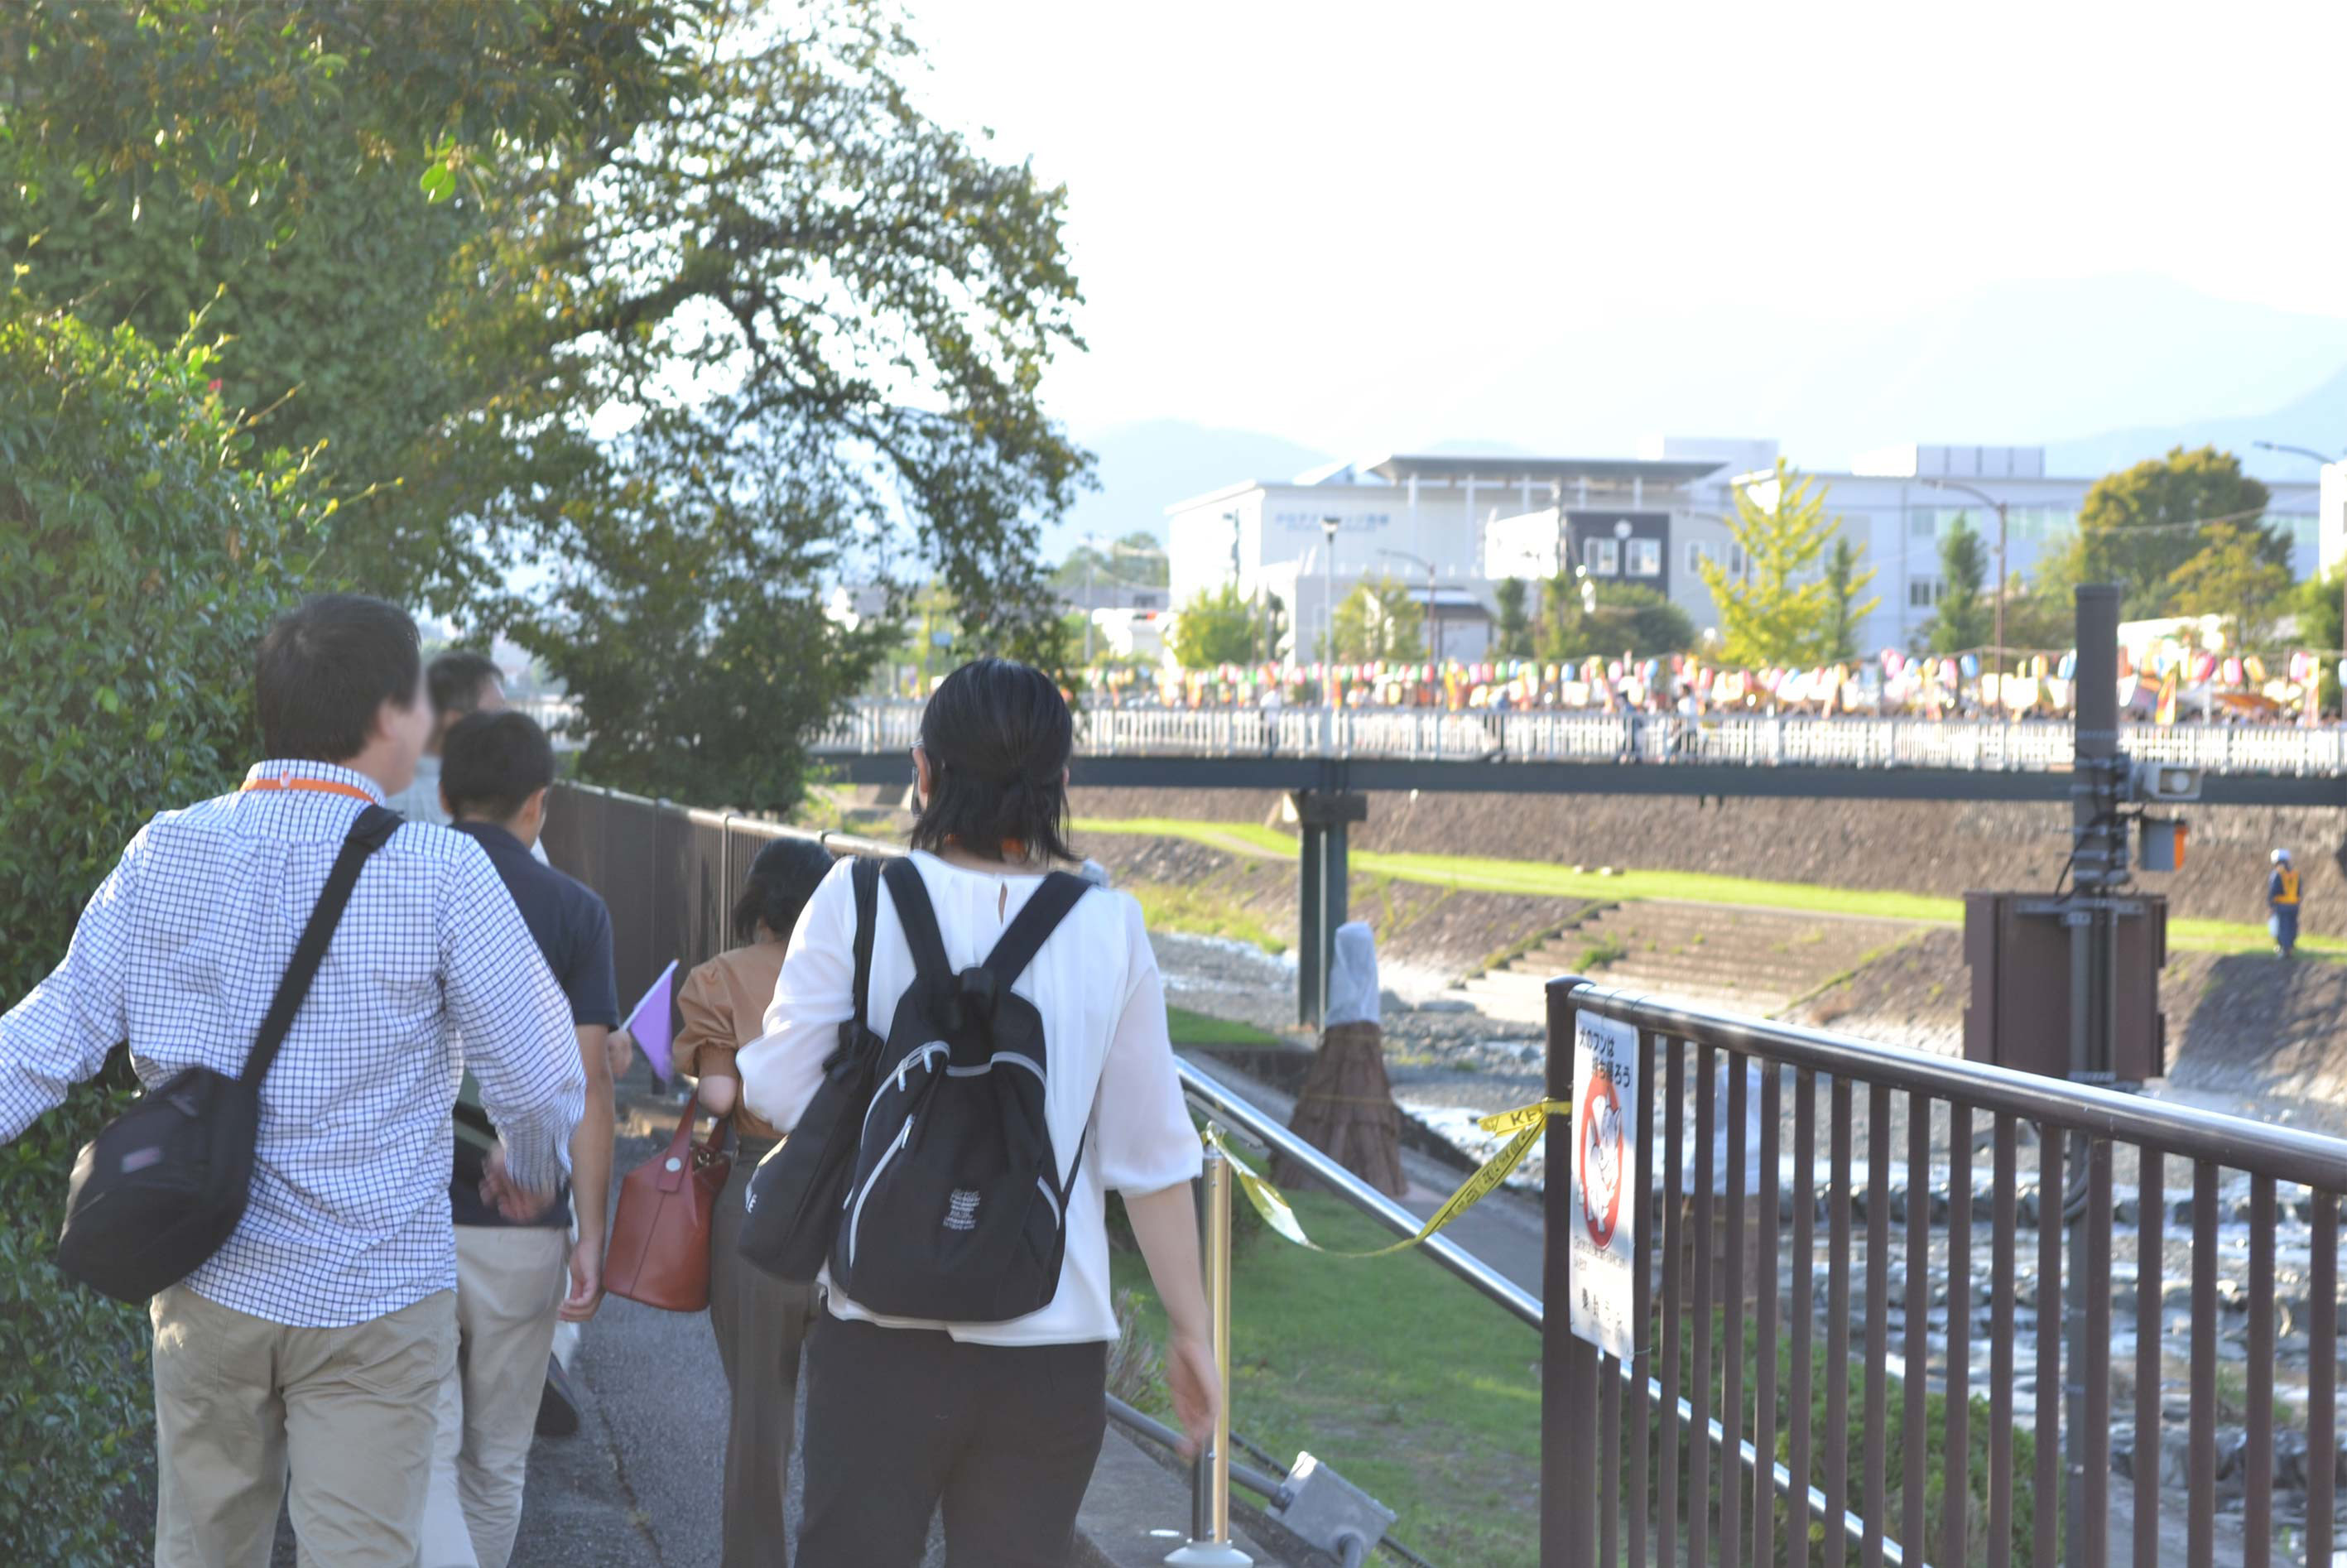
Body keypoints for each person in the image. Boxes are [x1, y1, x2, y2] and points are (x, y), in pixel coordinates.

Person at [0, 594, 585, 1568]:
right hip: (375, 1297)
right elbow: (538, 1074)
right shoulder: (442, 873)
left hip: (206, 1279)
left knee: (200, 1550)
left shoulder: (166, 851)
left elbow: (45, 1037)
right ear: (388, 717)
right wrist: (529, 1165)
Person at [739, 657, 1219, 1568]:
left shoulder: (858, 898)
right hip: (1049, 1344)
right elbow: (1151, 1156)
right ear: (1060, 785)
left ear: (924, 772)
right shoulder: (1109, 926)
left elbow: (776, 1089)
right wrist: (1191, 1330)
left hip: (878, 1330)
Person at [418, 710, 619, 1568]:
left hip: (409, 1212)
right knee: (497, 1460)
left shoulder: (403, 884)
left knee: (420, 1457)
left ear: (443, 794)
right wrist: (591, 1228)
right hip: (524, 1221)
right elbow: (590, 1084)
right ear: (539, 803)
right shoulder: (575, 910)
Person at [670, 835, 838, 1568]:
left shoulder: (721, 980)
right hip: (849, 1198)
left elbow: (719, 1095)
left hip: (756, 1199)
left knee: (761, 1416)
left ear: (756, 904)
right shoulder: (858, 972)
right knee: (853, 1416)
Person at [2269, 848, 2300, 958]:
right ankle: (2291, 946)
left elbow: (2273, 890)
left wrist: (2271, 905)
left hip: (2282, 905)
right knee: (2292, 926)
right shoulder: (2295, 873)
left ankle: (2285, 950)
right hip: (2294, 905)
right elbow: (2299, 890)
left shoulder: (2277, 873)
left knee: (2283, 927)